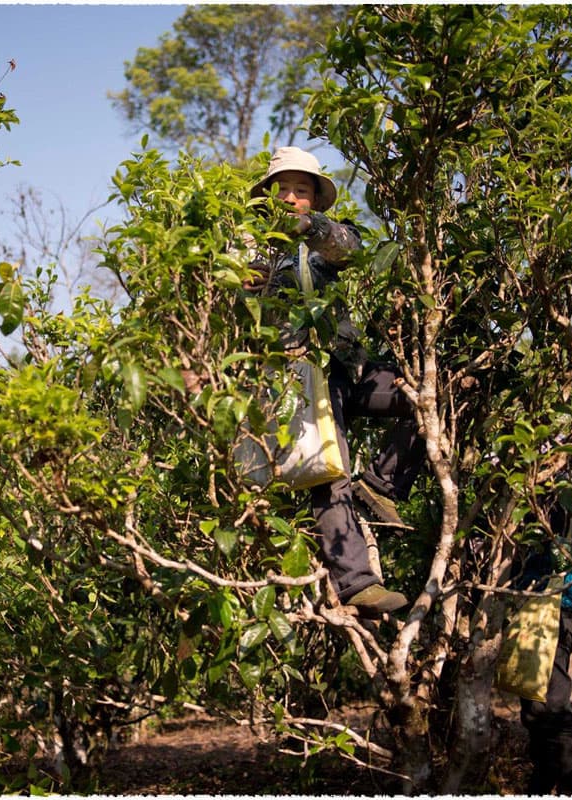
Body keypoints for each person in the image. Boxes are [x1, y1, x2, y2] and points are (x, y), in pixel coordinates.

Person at [245, 146, 426, 618]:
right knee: (329, 473)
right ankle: (357, 585)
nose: (289, 198)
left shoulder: (329, 236)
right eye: (281, 189)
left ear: (314, 201)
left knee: (426, 397)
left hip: (348, 368)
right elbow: (231, 293)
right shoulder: (248, 247)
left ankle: (383, 485)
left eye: (300, 191)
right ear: (265, 197)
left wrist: (312, 230)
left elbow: (352, 248)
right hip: (300, 378)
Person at [512, 491, 572, 794]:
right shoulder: (564, 504)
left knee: (550, 707)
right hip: (545, 612)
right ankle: (544, 784)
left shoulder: (555, 503)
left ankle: (571, 784)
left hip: (547, 611)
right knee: (537, 710)